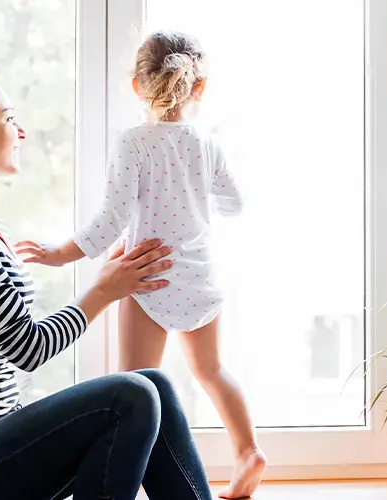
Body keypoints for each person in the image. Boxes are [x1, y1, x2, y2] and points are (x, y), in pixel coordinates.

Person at [0, 71, 212, 500]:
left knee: (152, 384)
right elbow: (28, 348)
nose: (22, 131)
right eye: (9, 118)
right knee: (132, 395)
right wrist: (104, 290)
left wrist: (109, 279)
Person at [21, 31, 265, 499]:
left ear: (137, 86)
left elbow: (110, 221)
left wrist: (58, 254)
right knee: (212, 370)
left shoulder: (133, 144)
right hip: (200, 276)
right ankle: (248, 450)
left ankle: (124, 483)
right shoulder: (206, 144)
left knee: (135, 390)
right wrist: (195, 194)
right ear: (200, 88)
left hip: (147, 277)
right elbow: (235, 203)